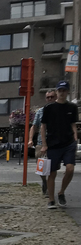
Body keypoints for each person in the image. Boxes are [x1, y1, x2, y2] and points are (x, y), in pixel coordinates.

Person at [40, 81, 79, 209]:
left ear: (67, 92)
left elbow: (73, 123)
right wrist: (44, 144)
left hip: (68, 143)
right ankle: (51, 200)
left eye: (64, 90)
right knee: (52, 173)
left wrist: (75, 137)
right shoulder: (49, 108)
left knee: (70, 169)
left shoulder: (72, 107)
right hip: (53, 144)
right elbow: (43, 126)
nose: (62, 93)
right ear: (57, 92)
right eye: (60, 90)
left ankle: (61, 192)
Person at [28, 90, 56, 196]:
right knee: (41, 168)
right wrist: (30, 139)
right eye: (48, 97)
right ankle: (44, 181)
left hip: (54, 144)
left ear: (55, 97)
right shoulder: (41, 111)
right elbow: (34, 126)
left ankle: (49, 188)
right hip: (40, 143)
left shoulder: (59, 110)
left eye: (52, 97)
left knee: (52, 168)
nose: (50, 99)